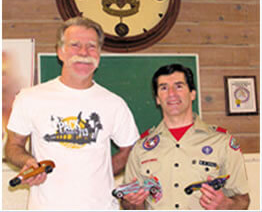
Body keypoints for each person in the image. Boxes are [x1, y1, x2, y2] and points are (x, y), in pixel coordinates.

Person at [5, 16, 139, 210]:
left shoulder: (114, 104)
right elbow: (13, 146)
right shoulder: (30, 98)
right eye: (75, 45)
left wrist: (102, 172)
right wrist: (28, 162)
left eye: (92, 46)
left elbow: (130, 150)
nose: (84, 52)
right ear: (60, 52)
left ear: (99, 54)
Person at [122, 64, 250, 210]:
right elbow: (129, 205)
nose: (171, 93)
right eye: (164, 88)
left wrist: (226, 205)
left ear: (192, 94)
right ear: (157, 99)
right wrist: (133, 203)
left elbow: (243, 201)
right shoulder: (141, 147)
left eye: (179, 86)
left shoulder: (222, 142)